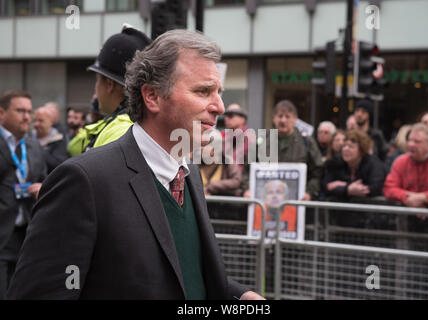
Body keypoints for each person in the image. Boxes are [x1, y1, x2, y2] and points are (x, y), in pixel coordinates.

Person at [7, 30, 263, 300]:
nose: (220, 106)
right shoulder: (84, 181)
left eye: (218, 92)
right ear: (152, 96)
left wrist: (241, 295)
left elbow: (183, 269)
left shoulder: (190, 174)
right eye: (203, 91)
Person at [68, 24, 152, 157]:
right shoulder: (140, 122)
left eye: (97, 80)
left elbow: (74, 149)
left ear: (109, 84)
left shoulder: (119, 131)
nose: (95, 90)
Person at [0, 90, 47, 299]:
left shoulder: (33, 146)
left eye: (29, 111)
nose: (27, 117)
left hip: (27, 237)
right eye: (20, 111)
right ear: (2, 113)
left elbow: (44, 178)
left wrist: (42, 187)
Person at [383, 123, 428, 235]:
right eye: (409, 140)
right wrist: (408, 198)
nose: (410, 144)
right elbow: (389, 188)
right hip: (408, 224)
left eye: (417, 141)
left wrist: (424, 197)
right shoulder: (401, 161)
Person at [323, 130, 386, 200]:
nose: (346, 149)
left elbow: (374, 188)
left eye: (351, 146)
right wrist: (348, 189)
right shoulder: (335, 162)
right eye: (344, 146)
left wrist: (345, 186)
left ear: (361, 150)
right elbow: (327, 187)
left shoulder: (373, 164)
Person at [200, 130, 242, 196]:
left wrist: (213, 186)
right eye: (201, 145)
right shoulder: (195, 163)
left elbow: (236, 181)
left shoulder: (228, 163)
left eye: (205, 145)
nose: (202, 148)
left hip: (221, 204)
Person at [33, 106, 68, 173]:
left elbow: (59, 165)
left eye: (41, 121)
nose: (36, 124)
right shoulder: (27, 138)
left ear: (51, 122)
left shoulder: (58, 140)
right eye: (34, 120)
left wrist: (40, 150)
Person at [222, 103, 255, 171]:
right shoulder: (222, 136)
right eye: (226, 116)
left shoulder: (250, 139)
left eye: (230, 115)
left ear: (242, 119)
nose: (226, 118)